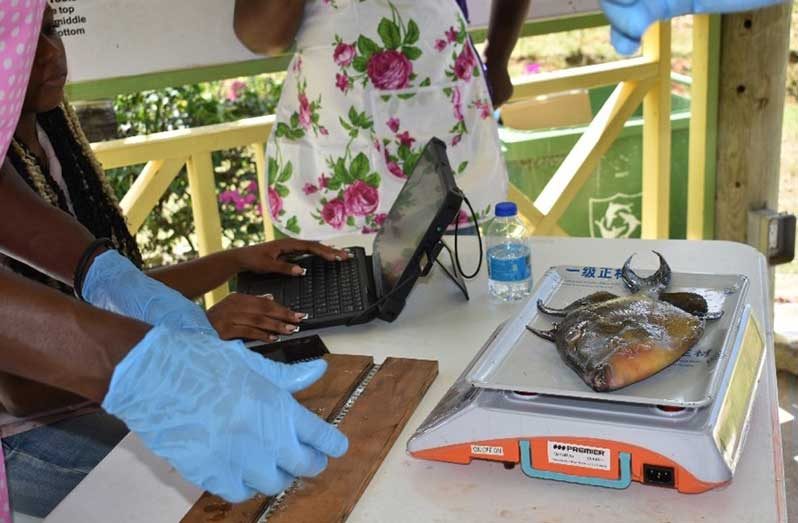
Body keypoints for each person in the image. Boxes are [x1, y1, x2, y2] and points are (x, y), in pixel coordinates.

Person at [0, 2, 347, 517]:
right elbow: (22, 392)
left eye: (49, 30)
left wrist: (107, 274)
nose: (46, 51)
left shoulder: (52, 139)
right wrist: (141, 361)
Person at [233, 0, 531, 239]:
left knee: (455, 298)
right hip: (337, 139)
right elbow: (263, 38)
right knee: (339, 300)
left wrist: (499, 58)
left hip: (441, 109)